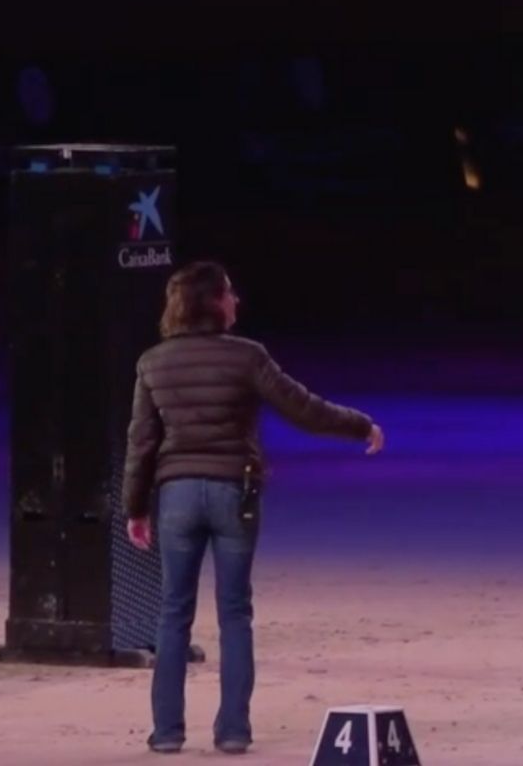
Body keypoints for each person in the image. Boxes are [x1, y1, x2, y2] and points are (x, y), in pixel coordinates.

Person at [121, 261, 384, 755]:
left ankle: (167, 733)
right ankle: (234, 731)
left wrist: (135, 508)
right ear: (213, 302)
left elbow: (141, 443)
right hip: (232, 493)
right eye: (230, 293)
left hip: (175, 495)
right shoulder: (247, 357)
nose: (236, 300)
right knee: (234, 613)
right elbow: (302, 407)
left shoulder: (152, 362)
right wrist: (360, 425)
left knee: (172, 613)